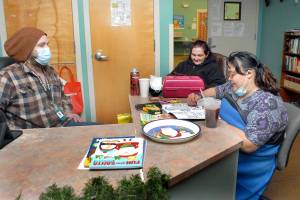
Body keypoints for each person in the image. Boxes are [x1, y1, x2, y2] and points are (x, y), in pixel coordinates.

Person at [187, 51, 288, 200]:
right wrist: (199, 96)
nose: (229, 78)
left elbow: (249, 144)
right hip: (224, 142)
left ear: (249, 73)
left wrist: (217, 122)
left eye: (233, 74)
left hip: (247, 161)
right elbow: (216, 91)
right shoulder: (234, 88)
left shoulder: (267, 104)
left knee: (193, 171)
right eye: (228, 73)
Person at [0, 27, 96, 129]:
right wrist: (14, 134)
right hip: (33, 136)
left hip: (61, 126)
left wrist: (68, 113)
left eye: (47, 44)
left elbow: (63, 97)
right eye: (42, 45)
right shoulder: (8, 76)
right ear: (26, 49)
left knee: (105, 133)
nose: (47, 49)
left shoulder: (49, 71)